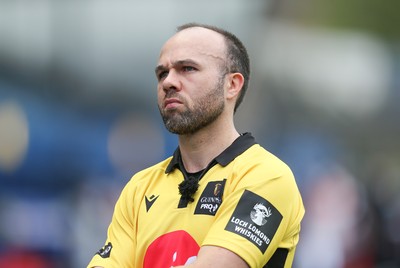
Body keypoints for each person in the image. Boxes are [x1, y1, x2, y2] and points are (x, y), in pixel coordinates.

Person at [87, 22, 304, 268]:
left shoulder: (267, 176)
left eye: (187, 68)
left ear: (232, 84)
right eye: (162, 73)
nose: (169, 82)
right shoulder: (139, 188)